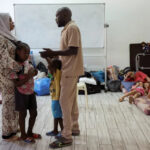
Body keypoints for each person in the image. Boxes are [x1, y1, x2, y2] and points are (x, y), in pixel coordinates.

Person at [40, 7, 84, 148]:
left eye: (57, 16)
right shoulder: (67, 29)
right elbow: (68, 51)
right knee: (71, 103)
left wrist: (53, 52)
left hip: (69, 71)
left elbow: (73, 50)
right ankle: (74, 129)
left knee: (64, 103)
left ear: (65, 15)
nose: (55, 19)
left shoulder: (72, 28)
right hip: (69, 70)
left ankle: (66, 136)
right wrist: (54, 56)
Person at [9, 42, 41, 143]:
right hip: (21, 93)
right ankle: (23, 135)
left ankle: (29, 132)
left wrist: (35, 72)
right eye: (25, 53)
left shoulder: (28, 62)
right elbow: (16, 84)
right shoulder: (14, 66)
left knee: (34, 113)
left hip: (31, 92)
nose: (27, 55)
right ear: (18, 52)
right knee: (23, 114)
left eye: (28, 53)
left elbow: (33, 71)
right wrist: (28, 76)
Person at [0, 13, 22, 140]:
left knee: (14, 102)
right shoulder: (0, 39)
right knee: (8, 104)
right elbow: (4, 60)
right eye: (10, 21)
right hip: (7, 76)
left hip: (13, 75)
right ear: (3, 22)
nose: (13, 23)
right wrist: (21, 67)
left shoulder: (8, 37)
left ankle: (13, 127)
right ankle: (7, 133)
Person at [46, 58, 63, 136]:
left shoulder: (58, 73)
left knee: (58, 116)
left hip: (56, 99)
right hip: (54, 98)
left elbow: (52, 66)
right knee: (56, 115)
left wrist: (46, 57)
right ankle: (55, 130)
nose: (48, 68)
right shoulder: (53, 75)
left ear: (55, 67)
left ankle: (63, 131)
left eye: (50, 67)